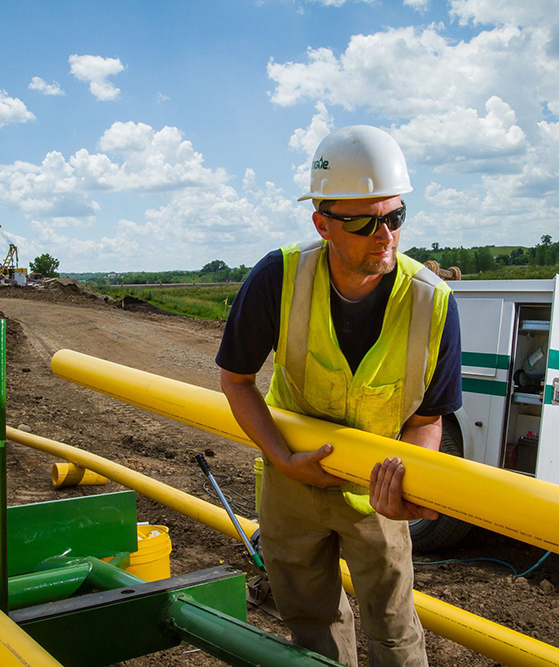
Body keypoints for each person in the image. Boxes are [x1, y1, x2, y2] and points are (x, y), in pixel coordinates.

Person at [216, 125, 462, 667]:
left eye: (395, 217)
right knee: (309, 621)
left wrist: (415, 480)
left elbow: (427, 417)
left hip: (377, 491)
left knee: (394, 627)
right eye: (363, 222)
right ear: (322, 223)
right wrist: (283, 458)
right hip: (290, 479)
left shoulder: (433, 302)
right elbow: (236, 380)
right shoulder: (277, 278)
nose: (385, 236)